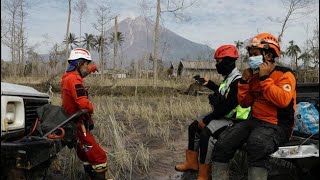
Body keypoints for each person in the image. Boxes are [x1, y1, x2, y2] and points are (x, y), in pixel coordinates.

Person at [211, 33, 297, 180]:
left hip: (278, 125)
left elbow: (282, 100)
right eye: (250, 55)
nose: (251, 58)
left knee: (257, 145)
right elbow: (245, 103)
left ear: (268, 55)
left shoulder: (285, 74)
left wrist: (264, 78)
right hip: (255, 121)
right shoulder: (254, 78)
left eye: (255, 54)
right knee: (223, 143)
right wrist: (244, 83)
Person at [175, 45, 251, 180]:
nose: (216, 64)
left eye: (218, 61)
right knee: (193, 126)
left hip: (234, 120)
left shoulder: (238, 81)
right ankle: (192, 163)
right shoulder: (229, 78)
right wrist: (209, 83)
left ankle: (204, 174)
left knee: (206, 133)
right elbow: (223, 92)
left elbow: (227, 107)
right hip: (223, 115)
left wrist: (207, 119)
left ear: (227, 61)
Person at [61, 48, 110, 180]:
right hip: (77, 124)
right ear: (78, 64)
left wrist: (93, 67)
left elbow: (83, 72)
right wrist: (91, 108)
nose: (88, 67)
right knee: (99, 157)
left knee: (85, 154)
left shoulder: (69, 76)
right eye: (86, 64)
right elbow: (83, 104)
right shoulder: (74, 81)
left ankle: (89, 175)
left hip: (72, 123)